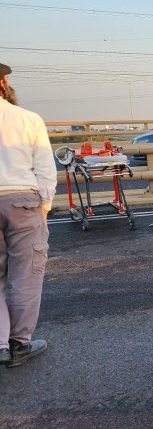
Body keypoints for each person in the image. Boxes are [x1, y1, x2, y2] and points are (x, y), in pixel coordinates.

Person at [0, 63, 57, 367]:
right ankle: (19, 344)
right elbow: (45, 169)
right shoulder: (28, 119)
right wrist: (44, 207)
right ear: (4, 83)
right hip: (22, 201)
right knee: (26, 274)